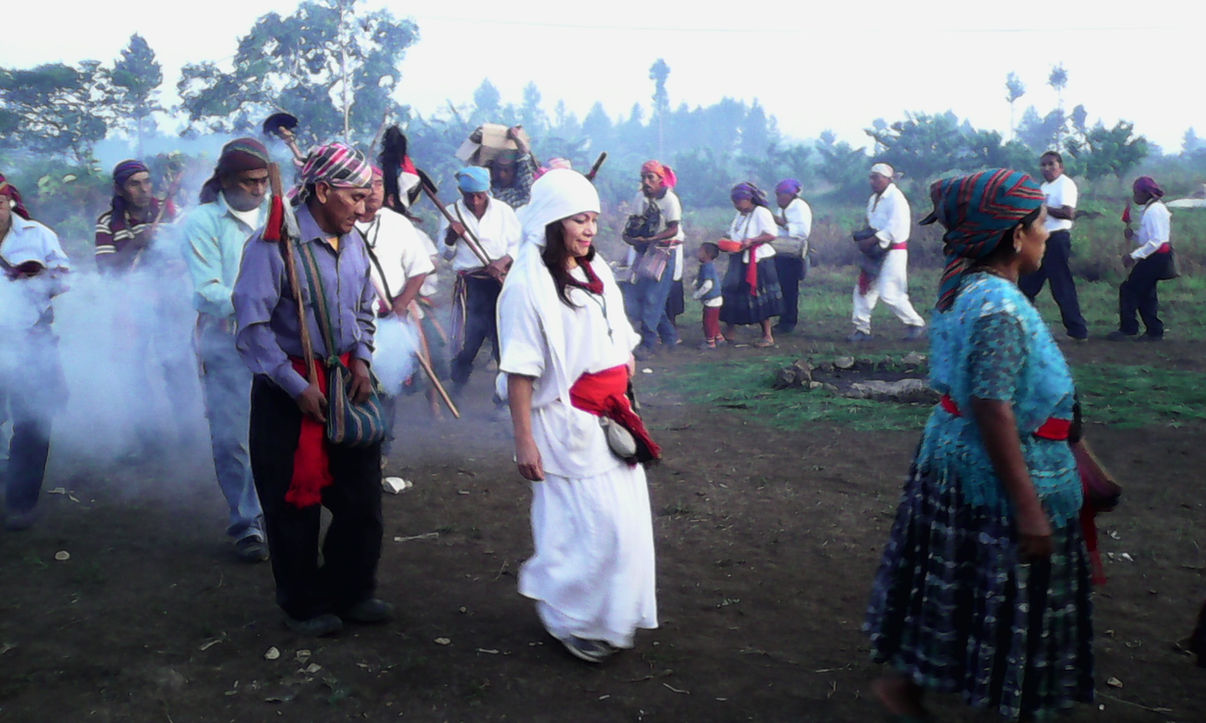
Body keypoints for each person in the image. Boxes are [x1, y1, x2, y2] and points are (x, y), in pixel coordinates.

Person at [865, 169, 1094, 721]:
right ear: (1015, 235)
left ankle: (908, 688)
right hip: (996, 479)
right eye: (1038, 221)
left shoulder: (965, 287)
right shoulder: (998, 307)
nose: (1045, 231)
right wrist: (1029, 509)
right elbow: (993, 406)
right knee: (1004, 596)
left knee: (959, 582)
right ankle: (932, 693)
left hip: (956, 461)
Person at [497, 168, 659, 664]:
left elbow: (618, 332)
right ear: (550, 222)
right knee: (583, 528)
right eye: (578, 220)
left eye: (593, 219)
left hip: (611, 418)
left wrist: (623, 363)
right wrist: (524, 441)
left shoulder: (595, 268)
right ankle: (569, 618)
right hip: (563, 423)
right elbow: (521, 371)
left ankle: (608, 616)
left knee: (623, 524)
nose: (590, 230)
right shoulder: (526, 285)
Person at [233, 143, 391, 636]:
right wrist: (295, 385)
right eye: (355, 196)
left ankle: (351, 591)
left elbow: (366, 306)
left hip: (346, 384)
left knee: (361, 499)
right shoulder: (273, 244)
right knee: (291, 506)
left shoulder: (355, 241)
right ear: (322, 190)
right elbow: (252, 327)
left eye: (368, 196)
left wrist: (362, 357)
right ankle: (303, 603)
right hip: (288, 391)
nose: (365, 207)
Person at [181, 138, 273, 562]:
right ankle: (245, 521)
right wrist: (258, 304)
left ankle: (278, 511)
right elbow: (206, 291)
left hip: (278, 338)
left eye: (263, 180)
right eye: (250, 182)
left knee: (277, 431)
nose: (258, 189)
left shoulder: (279, 210)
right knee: (232, 436)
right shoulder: (202, 221)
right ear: (225, 180)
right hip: (227, 338)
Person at [0, 177, 70, 531]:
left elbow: (63, 280)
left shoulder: (38, 235)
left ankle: (20, 504)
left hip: (31, 339)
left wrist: (42, 275)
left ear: (9, 203)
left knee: (33, 423)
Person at [354, 166, 435, 443]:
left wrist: (401, 305)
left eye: (379, 184)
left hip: (389, 320)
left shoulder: (397, 224)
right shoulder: (341, 224)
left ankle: (382, 447)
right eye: (368, 184)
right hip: (351, 323)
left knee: (386, 385)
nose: (375, 190)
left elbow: (420, 268)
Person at [438, 167, 521, 402]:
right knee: (467, 342)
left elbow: (518, 244)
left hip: (499, 284)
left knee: (501, 340)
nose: (474, 201)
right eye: (468, 196)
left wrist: (504, 260)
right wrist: (451, 238)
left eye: (480, 195)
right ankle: (458, 386)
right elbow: (445, 254)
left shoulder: (504, 212)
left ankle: (502, 397)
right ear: (460, 192)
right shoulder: (451, 213)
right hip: (470, 286)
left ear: (487, 191)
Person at [849, 163, 926, 342]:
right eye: (871, 177)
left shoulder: (896, 198)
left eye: (877, 177)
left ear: (888, 179)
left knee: (890, 291)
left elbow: (895, 227)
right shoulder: (874, 199)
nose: (873, 181)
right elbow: (874, 223)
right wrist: (865, 237)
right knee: (864, 288)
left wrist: (872, 239)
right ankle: (861, 328)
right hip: (875, 249)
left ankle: (915, 323)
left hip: (893, 250)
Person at [1019, 151, 1088, 341]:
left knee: (1061, 285)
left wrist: (1042, 208)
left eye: (1051, 164)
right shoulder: (1044, 187)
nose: (1047, 168)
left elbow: (1068, 213)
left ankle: (1078, 330)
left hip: (1057, 239)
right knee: (1027, 284)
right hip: (1041, 239)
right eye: (1043, 165)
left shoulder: (1065, 184)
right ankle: (1024, 326)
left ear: (1061, 167)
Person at [622, 161, 684, 358]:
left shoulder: (670, 200)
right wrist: (630, 237)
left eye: (651, 177)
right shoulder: (640, 197)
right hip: (645, 249)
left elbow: (673, 228)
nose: (646, 182)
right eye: (643, 177)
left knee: (653, 297)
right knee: (643, 294)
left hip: (664, 250)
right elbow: (633, 223)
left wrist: (650, 239)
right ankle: (669, 337)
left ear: (660, 179)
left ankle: (648, 344)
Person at [1107, 176, 1175, 342]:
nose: (1134, 196)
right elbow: (1150, 239)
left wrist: (1134, 255)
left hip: (1156, 256)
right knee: (1146, 293)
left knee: (1129, 289)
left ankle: (1129, 328)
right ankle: (1154, 330)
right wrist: (1134, 236)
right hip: (1156, 255)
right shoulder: (1154, 208)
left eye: (1136, 192)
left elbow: (1156, 241)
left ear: (1146, 193)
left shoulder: (1154, 210)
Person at [719, 182, 783, 347]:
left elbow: (771, 235)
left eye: (738, 201)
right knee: (731, 292)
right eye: (734, 201)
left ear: (748, 199)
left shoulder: (761, 212)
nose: (736, 205)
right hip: (739, 258)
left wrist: (752, 241)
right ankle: (730, 331)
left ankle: (767, 335)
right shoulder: (740, 215)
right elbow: (734, 233)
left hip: (758, 260)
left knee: (759, 295)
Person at [771, 178, 812, 334]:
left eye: (780, 194)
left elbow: (802, 232)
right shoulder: (783, 209)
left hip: (792, 254)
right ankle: (784, 319)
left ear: (790, 194)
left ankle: (789, 320)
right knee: (782, 287)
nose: (778, 198)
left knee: (789, 288)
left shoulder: (800, 207)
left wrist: (782, 223)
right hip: (781, 252)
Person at [489, 125, 538, 209]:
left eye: (506, 170)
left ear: (516, 171)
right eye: (498, 169)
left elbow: (525, 168)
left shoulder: (523, 195)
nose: (501, 175)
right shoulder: (493, 192)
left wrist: (518, 140)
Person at [691, 242, 723, 349]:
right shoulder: (708, 266)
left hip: (711, 299)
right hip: (716, 298)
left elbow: (708, 285)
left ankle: (710, 342)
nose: (698, 253)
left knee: (708, 321)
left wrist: (697, 294)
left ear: (707, 254)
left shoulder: (707, 267)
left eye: (700, 251)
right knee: (714, 319)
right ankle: (719, 338)